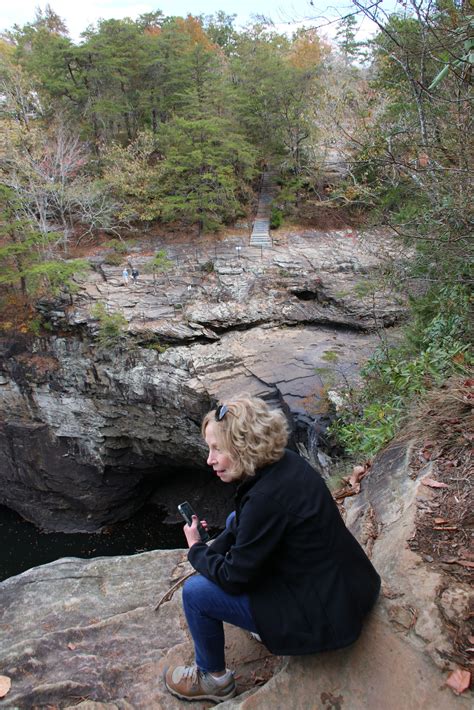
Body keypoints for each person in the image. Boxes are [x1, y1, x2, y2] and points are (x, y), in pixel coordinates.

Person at [164, 396, 381, 703]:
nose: (209, 460)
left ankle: (213, 679)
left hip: (321, 615)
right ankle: (258, 623)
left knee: (197, 593)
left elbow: (233, 578)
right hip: (349, 586)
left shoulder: (265, 501)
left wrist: (198, 551)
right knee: (231, 519)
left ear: (243, 447)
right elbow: (244, 521)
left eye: (217, 449)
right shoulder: (284, 464)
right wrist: (217, 545)